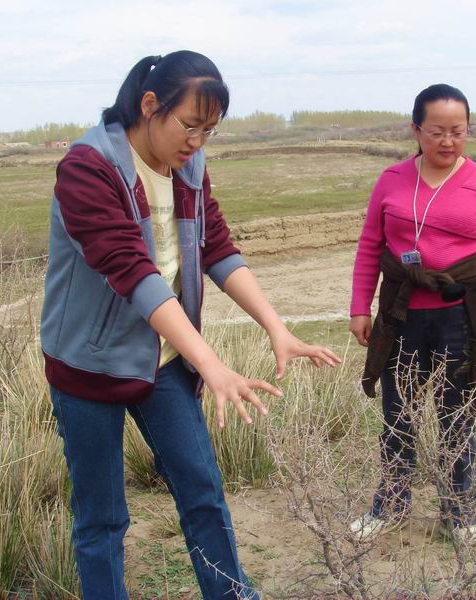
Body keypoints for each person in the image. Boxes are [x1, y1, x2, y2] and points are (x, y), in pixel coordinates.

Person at [40, 51, 340, 600]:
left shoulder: (188, 168)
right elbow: (131, 272)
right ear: (150, 105)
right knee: (102, 516)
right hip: (87, 362)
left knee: (202, 489)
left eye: (210, 131)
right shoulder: (89, 167)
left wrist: (276, 327)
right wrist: (213, 363)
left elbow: (216, 247)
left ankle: (230, 594)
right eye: (190, 126)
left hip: (165, 361)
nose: (197, 142)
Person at [348, 83, 476, 545]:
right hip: (402, 318)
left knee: (456, 417)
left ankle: (460, 514)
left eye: (458, 131)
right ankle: (391, 505)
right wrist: (359, 308)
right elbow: (370, 248)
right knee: (397, 415)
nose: (448, 141)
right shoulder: (391, 180)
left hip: (460, 320)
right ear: (416, 129)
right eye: (437, 131)